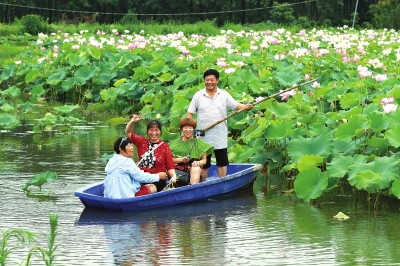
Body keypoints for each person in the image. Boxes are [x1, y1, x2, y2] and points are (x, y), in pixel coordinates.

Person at [187, 69, 253, 178]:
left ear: (217, 80)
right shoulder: (198, 95)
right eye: (207, 80)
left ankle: (222, 182)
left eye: (212, 80)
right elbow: (189, 113)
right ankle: (202, 184)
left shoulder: (223, 95)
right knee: (204, 163)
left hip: (220, 133)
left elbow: (236, 106)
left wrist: (246, 107)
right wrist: (192, 128)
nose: (209, 82)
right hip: (203, 134)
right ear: (204, 81)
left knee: (222, 161)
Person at [125, 115, 177, 191]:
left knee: (144, 190)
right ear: (147, 131)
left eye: (156, 130)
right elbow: (128, 132)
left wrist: (174, 176)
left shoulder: (164, 147)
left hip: (157, 179)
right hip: (141, 177)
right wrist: (132, 121)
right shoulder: (141, 142)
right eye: (151, 130)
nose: (154, 133)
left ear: (160, 132)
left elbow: (170, 167)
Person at [169, 118, 214, 185]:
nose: (188, 130)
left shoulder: (199, 143)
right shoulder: (173, 144)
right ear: (181, 129)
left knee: (196, 168)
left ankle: (192, 189)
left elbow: (204, 161)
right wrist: (181, 160)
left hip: (194, 171)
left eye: (190, 128)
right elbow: (169, 160)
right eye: (185, 128)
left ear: (194, 129)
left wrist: (197, 163)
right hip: (178, 172)